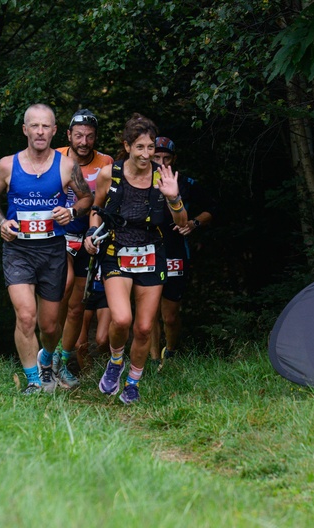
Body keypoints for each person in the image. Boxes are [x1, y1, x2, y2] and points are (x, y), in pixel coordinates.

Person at [0, 103, 92, 395]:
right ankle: (33, 381)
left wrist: (72, 212)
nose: (40, 131)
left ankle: (46, 358)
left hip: (53, 250)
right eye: (34, 126)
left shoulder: (67, 166)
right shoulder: (7, 165)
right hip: (18, 250)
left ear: (54, 131)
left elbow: (87, 198)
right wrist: (2, 222)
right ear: (25, 130)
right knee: (26, 315)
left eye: (45, 126)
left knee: (50, 326)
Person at [84, 114, 187, 404]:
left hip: (152, 252)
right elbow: (96, 208)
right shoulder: (110, 174)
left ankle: (133, 382)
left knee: (143, 327)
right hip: (116, 251)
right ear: (127, 146)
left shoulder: (163, 177)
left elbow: (181, 222)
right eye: (139, 147)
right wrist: (91, 232)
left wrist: (173, 197)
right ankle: (116, 361)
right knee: (121, 319)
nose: (146, 154)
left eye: (150, 147)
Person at [53, 109, 114, 388]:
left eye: (89, 136)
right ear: (69, 135)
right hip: (60, 234)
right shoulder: (55, 157)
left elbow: (106, 203)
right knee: (63, 287)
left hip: (90, 238)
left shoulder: (106, 163)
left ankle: (62, 362)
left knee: (77, 308)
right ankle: (47, 354)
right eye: (78, 136)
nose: (84, 142)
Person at [148, 136, 215, 369]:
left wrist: (194, 223)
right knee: (149, 312)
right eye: (156, 157)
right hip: (147, 250)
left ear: (174, 159)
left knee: (170, 315)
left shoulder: (185, 183)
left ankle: (171, 353)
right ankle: (154, 360)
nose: (161, 162)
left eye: (166, 158)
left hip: (176, 251)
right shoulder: (139, 182)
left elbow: (212, 207)